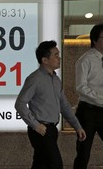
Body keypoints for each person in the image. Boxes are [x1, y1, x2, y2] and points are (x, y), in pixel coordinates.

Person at [15, 40, 86, 169]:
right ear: (45, 60)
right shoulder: (35, 79)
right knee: (55, 164)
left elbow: (64, 105)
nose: (59, 58)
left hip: (52, 129)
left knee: (40, 164)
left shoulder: (56, 79)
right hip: (41, 130)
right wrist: (35, 125)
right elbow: (20, 104)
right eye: (56, 55)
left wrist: (77, 126)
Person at [73, 23, 103, 169]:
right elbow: (80, 87)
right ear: (94, 40)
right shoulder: (85, 59)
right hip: (88, 112)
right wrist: (102, 98)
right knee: (83, 153)